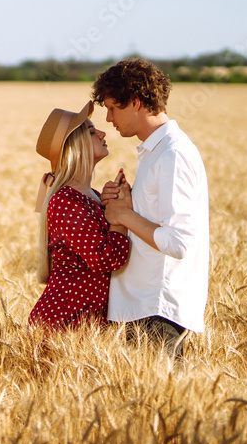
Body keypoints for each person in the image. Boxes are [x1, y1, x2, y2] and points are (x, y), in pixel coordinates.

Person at [93, 58, 210, 357]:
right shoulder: (157, 151)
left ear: (135, 102)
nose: (108, 118)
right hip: (146, 305)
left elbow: (179, 242)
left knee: (162, 401)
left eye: (112, 107)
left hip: (157, 309)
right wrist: (128, 202)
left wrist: (125, 215)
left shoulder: (173, 154)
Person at [28, 102, 131, 332]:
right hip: (64, 324)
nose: (103, 133)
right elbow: (105, 259)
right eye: (92, 131)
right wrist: (120, 215)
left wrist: (115, 204)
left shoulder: (91, 196)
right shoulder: (65, 201)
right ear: (75, 146)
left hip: (84, 323)